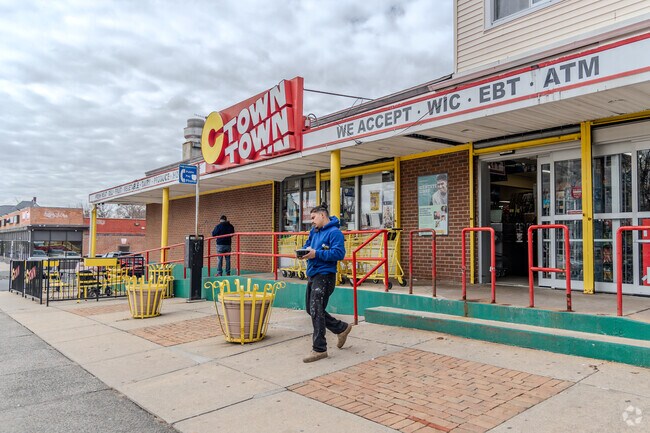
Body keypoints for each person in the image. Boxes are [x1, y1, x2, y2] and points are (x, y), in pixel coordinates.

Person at [298, 205, 352, 363]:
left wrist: (317, 254)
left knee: (316, 310)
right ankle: (341, 328)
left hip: (325, 276)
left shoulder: (335, 232)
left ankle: (319, 349)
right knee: (312, 309)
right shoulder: (314, 232)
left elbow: (339, 253)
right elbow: (308, 245)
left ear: (322, 215)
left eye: (313, 218)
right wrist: (303, 252)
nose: (312, 222)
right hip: (313, 274)